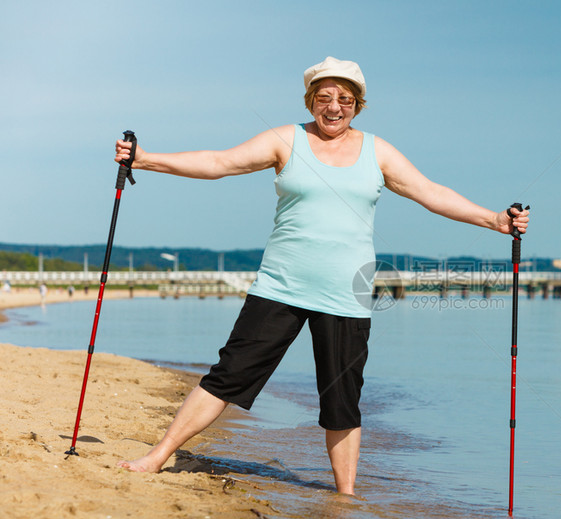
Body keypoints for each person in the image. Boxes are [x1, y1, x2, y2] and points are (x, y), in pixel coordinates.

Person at [116, 57, 529, 495]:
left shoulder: (378, 152)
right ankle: (158, 456)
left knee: (342, 402)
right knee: (228, 375)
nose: (335, 108)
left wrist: (495, 221)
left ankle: (345, 497)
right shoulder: (285, 140)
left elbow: (431, 194)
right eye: (325, 98)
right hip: (280, 287)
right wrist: (144, 160)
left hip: (345, 296)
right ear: (311, 100)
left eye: (345, 99)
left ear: (358, 105)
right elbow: (220, 162)